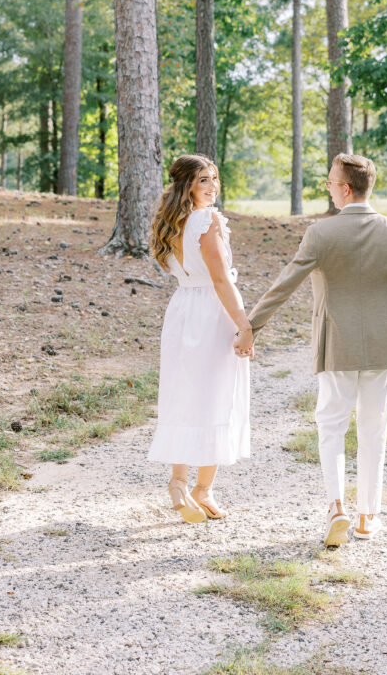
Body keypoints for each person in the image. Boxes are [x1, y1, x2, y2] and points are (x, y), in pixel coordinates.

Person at [234, 153, 387, 546]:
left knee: (332, 427)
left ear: (345, 188)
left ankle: (336, 507)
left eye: (329, 181)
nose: (327, 186)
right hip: (383, 345)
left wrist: (251, 327)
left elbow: (285, 284)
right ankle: (367, 517)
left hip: (336, 344)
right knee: (374, 431)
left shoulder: (321, 234)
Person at [148, 154, 253, 524]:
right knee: (215, 396)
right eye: (203, 180)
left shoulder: (171, 221)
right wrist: (244, 324)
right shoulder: (206, 220)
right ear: (187, 186)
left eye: (214, 179)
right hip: (211, 312)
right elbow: (221, 279)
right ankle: (201, 488)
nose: (212, 187)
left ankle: (180, 483)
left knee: (186, 393)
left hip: (182, 310)